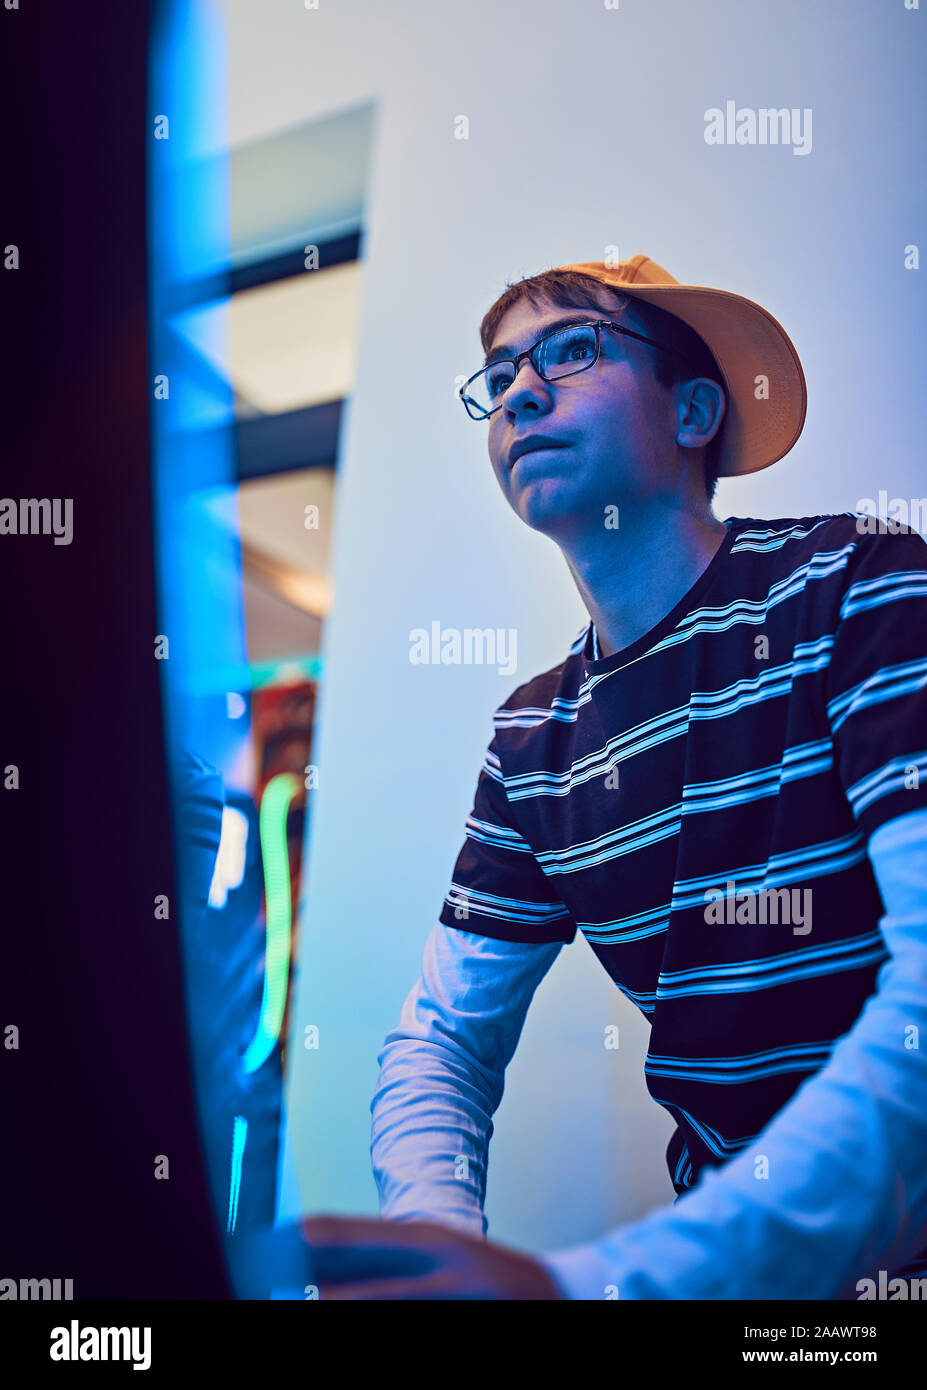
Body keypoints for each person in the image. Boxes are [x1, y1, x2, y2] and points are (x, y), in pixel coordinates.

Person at [303, 254, 927, 1299]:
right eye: (498, 378)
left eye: (573, 349)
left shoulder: (861, 583)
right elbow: (442, 1043)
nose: (520, 394)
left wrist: (608, 1282)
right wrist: (431, 1235)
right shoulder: (534, 740)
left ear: (692, 412)